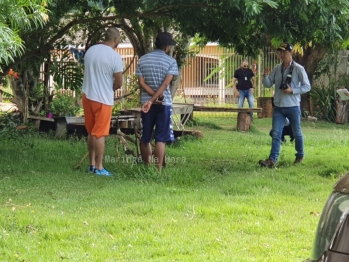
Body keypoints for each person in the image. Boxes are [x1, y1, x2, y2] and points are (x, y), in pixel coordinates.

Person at [259, 42, 311, 167]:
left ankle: (300, 155)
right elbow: (268, 83)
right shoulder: (277, 68)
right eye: (280, 52)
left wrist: (293, 90)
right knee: (276, 133)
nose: (282, 54)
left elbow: (307, 86)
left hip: (293, 106)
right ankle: (272, 159)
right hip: (278, 107)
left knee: (297, 132)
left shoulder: (299, 69)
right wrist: (265, 76)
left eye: (285, 52)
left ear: (291, 52)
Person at [82, 27, 123, 176]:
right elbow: (119, 83)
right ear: (116, 40)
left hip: (87, 95)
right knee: (99, 133)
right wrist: (109, 88)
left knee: (91, 131)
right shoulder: (115, 57)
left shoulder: (91, 50)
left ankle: (91, 164)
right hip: (103, 99)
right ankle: (99, 168)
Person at [136, 32, 179, 170]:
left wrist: (150, 100)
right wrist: (157, 97)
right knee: (161, 138)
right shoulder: (171, 61)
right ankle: (158, 170)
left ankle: (147, 168)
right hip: (163, 104)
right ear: (166, 47)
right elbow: (166, 83)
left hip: (146, 105)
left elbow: (141, 83)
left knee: (145, 137)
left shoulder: (142, 60)